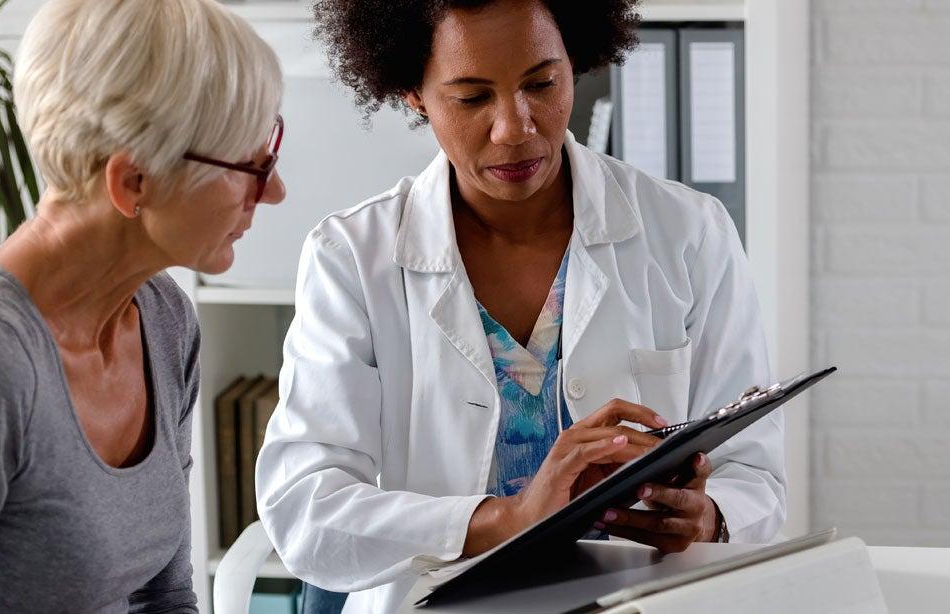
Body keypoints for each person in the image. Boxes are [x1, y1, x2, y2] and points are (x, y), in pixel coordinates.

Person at [255, 0, 785, 612]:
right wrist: (506, 518)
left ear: (576, 64)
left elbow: (757, 477)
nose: (515, 127)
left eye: (541, 83)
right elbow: (305, 509)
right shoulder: (351, 258)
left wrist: (709, 517)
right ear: (413, 93)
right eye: (472, 97)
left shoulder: (690, 233)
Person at [0, 0, 284, 611]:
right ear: (133, 183)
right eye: (250, 166)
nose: (275, 191)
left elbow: (163, 593)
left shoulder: (164, 319)